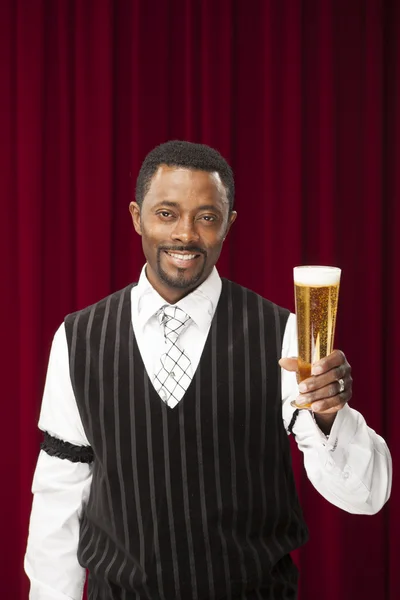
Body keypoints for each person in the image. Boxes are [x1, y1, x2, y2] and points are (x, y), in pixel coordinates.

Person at [25, 141, 392, 600]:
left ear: (227, 225)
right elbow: (58, 498)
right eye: (166, 213)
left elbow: (366, 496)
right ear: (137, 217)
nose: (185, 234)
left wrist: (329, 414)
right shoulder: (78, 338)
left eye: (206, 217)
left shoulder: (284, 334)